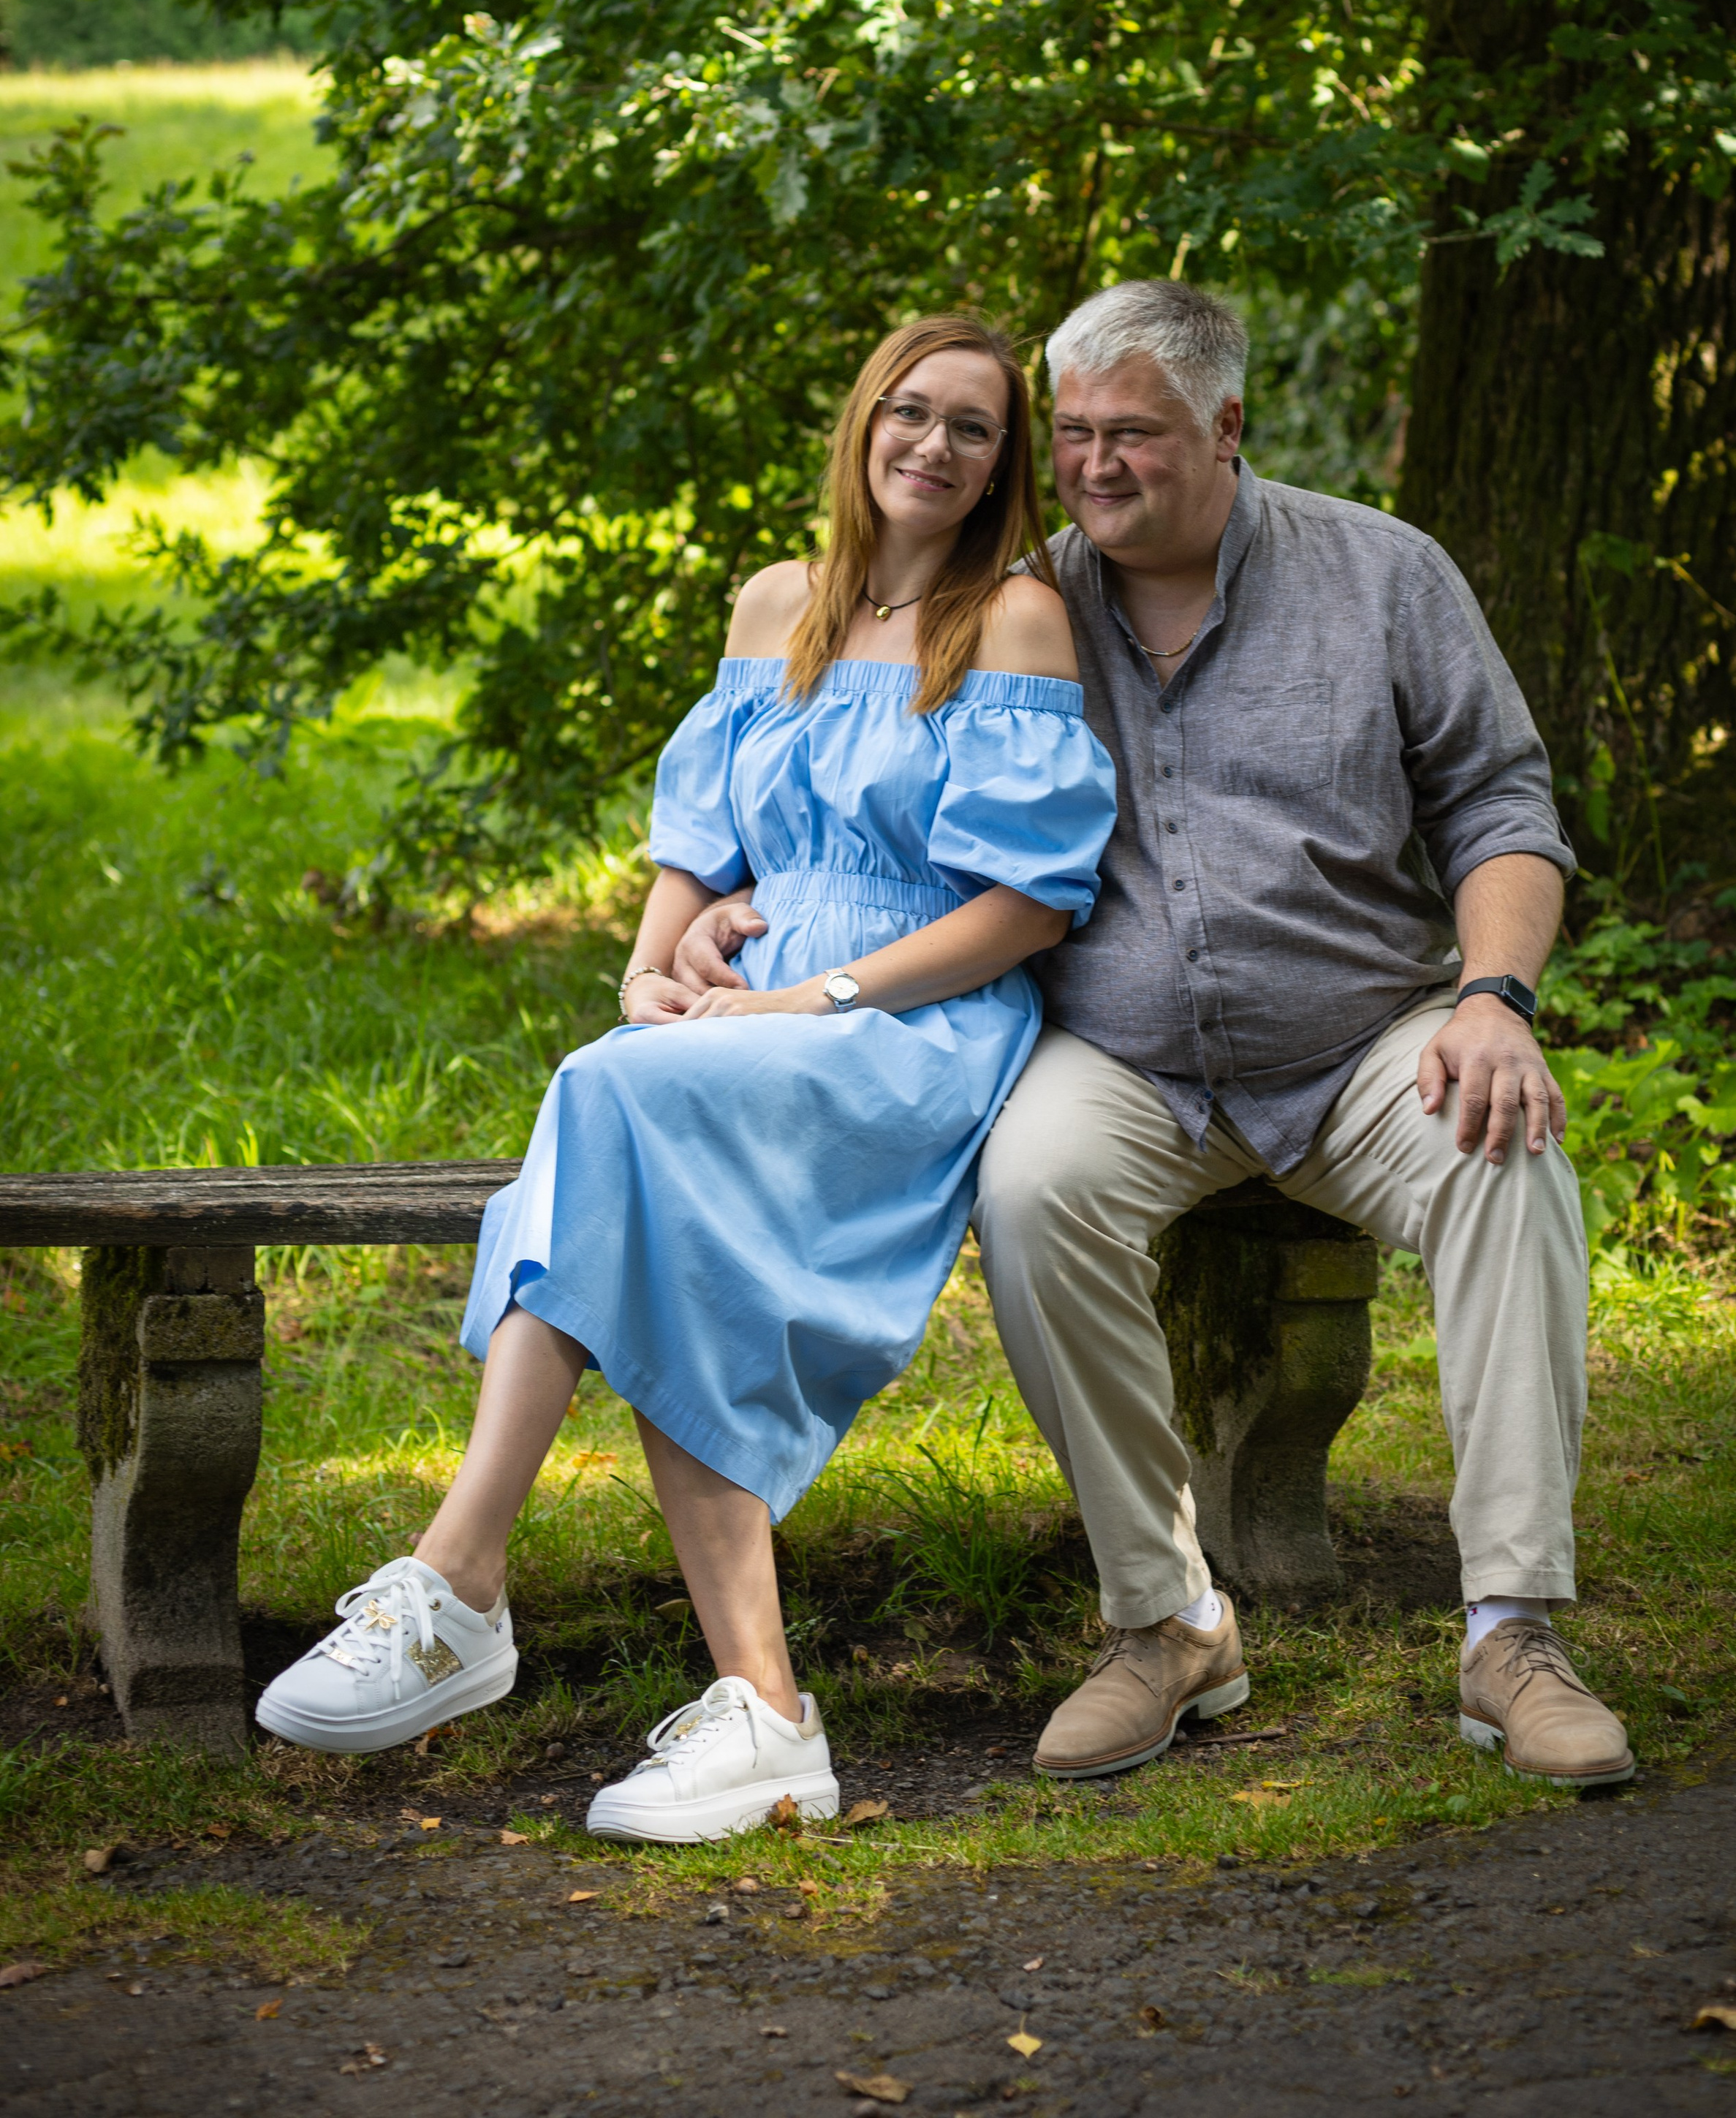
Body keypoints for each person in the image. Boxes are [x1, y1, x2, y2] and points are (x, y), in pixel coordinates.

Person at [678, 279, 1632, 1795]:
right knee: (1033, 1190)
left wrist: (1491, 1000)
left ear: (1226, 427)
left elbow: (1498, 807)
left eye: (1133, 436)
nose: (1094, 468)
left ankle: (1511, 1633)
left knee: (1503, 1157)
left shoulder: (1381, 577)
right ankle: (1167, 1621)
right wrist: (732, 908)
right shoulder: (1013, 608)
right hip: (1120, 1060)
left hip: (1363, 1041)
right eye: (1069, 437)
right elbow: (840, 796)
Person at [255, 314, 1117, 1843]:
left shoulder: (1014, 623)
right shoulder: (777, 606)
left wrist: (810, 990)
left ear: (1003, 467)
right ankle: (753, 1707)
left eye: (971, 428)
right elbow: (697, 850)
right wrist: (656, 969)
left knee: (610, 1107)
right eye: (907, 413)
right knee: (625, 1103)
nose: (931, 445)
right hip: (745, 1028)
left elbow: (1028, 906)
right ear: (862, 427)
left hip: (909, 1021)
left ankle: (465, 1587)